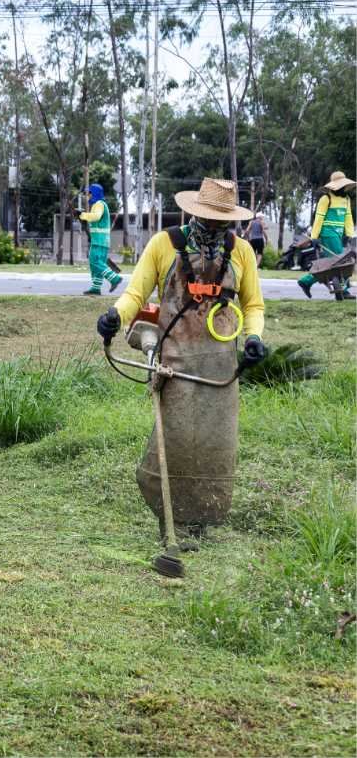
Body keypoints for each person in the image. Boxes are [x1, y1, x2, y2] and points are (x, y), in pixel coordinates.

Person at [97, 177, 267, 544]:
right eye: (210, 218)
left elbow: (252, 305)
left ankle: (204, 519)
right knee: (175, 443)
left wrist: (253, 337)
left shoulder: (241, 252)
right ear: (194, 212)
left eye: (224, 220)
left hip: (220, 365)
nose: (217, 226)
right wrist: (116, 315)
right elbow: (136, 293)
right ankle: (171, 523)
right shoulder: (165, 244)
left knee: (214, 446)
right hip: (175, 362)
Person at [297, 171, 354, 299]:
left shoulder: (346, 199)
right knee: (341, 260)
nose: (343, 188)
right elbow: (319, 218)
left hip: (339, 234)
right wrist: (314, 236)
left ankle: (306, 281)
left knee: (331, 263)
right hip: (328, 233)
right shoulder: (326, 198)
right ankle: (343, 290)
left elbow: (348, 217)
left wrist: (349, 234)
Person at [79, 183, 124, 295]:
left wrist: (82, 215)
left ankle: (114, 279)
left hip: (99, 240)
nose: (87, 196)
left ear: (94, 193)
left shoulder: (99, 204)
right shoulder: (101, 204)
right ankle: (96, 287)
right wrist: (83, 216)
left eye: (89, 193)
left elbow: (96, 216)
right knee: (98, 263)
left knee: (95, 261)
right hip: (101, 240)